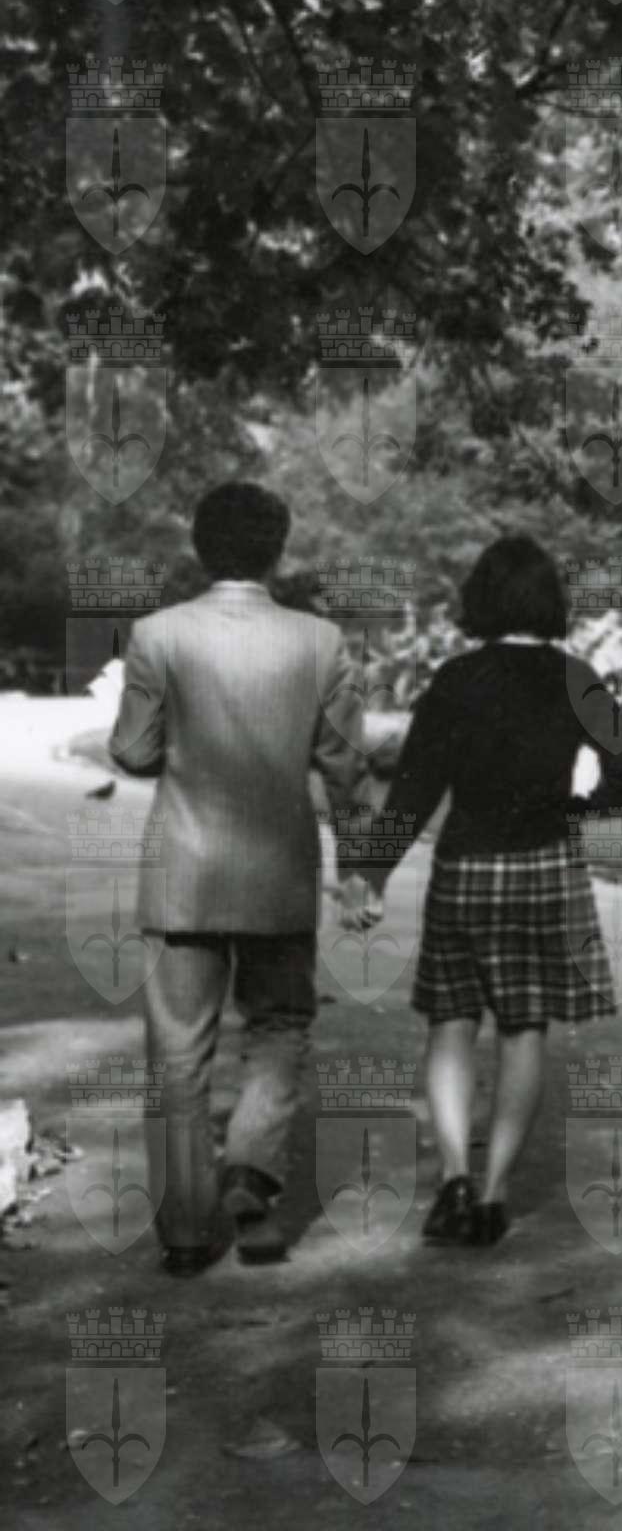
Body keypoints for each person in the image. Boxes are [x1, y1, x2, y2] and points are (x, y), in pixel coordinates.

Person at [340, 533, 622, 1247]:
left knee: (450, 1022)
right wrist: (575, 806)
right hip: (545, 870)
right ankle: (493, 1195)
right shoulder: (577, 679)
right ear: (550, 601)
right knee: (523, 1028)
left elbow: (413, 793)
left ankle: (453, 1176)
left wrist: (371, 876)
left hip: (465, 870)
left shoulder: (454, 680)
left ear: (480, 598)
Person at [109, 481, 367, 1275]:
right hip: (280, 873)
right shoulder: (320, 641)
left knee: (177, 1054)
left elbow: (132, 752)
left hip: (182, 874)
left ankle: (187, 1232)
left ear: (199, 548)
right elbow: (345, 771)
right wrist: (360, 870)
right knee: (280, 1024)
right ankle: (251, 1171)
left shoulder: (157, 634)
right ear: (277, 552)